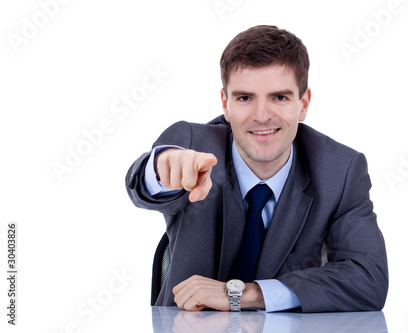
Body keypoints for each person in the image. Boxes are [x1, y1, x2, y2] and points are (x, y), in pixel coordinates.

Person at [126, 25, 388, 313]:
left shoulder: (340, 171)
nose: (262, 117)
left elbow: (368, 279)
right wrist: (162, 168)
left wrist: (245, 295)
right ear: (225, 104)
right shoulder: (193, 146)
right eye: (244, 98)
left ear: (303, 104)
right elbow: (143, 182)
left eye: (279, 97)